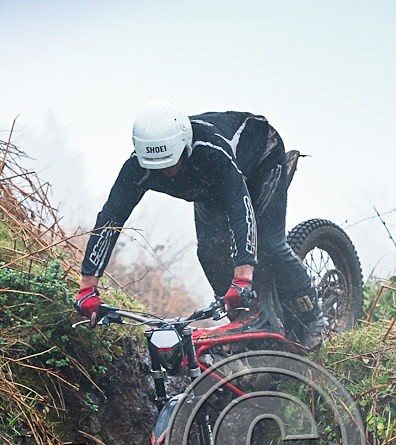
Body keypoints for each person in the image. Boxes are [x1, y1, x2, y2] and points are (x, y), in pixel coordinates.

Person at [76, 100, 326, 349]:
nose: (166, 172)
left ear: (184, 146)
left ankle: (313, 317)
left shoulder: (211, 150)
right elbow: (110, 219)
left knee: (270, 244)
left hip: (260, 159)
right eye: (158, 167)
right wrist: (88, 285)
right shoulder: (136, 167)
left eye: (172, 163)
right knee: (208, 250)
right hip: (208, 188)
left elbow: (240, 207)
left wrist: (242, 277)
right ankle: (242, 318)